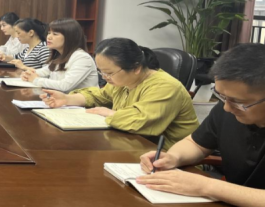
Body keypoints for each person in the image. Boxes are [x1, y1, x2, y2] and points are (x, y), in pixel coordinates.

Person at [137, 43, 265, 207]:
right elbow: (196, 143)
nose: (227, 108)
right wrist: (173, 157)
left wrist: (207, 186)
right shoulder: (228, 109)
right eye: (221, 96)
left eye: (238, 102)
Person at [41, 38, 198, 149]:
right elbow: (99, 96)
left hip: (167, 155)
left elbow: (140, 121)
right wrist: (67, 99)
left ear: (136, 68)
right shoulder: (123, 81)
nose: (105, 78)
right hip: (132, 145)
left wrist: (109, 113)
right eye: (101, 72)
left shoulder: (165, 86)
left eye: (109, 73)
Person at [19, 18, 98, 91]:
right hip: (59, 99)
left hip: (78, 101)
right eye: (49, 33)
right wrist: (28, 74)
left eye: (55, 34)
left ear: (69, 37)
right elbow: (44, 71)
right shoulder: (59, 55)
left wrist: (36, 80)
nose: (49, 37)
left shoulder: (82, 58)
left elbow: (65, 86)